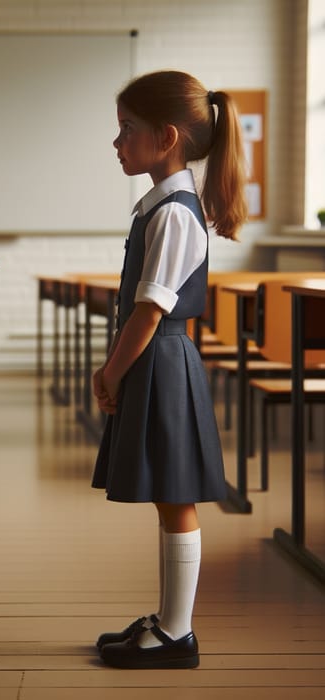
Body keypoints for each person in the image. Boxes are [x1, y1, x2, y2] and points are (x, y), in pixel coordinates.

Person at [91, 70, 247, 669]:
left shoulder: (175, 214)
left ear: (168, 137)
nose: (117, 142)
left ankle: (177, 634)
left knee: (176, 496)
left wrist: (110, 372)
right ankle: (167, 622)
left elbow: (149, 312)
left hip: (163, 360)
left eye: (127, 130)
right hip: (158, 360)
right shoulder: (164, 206)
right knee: (168, 497)